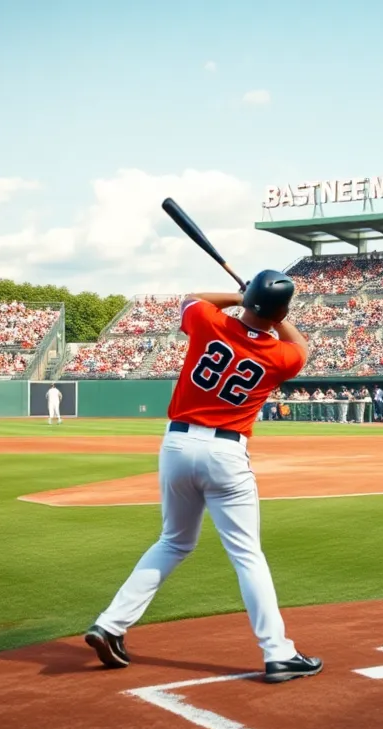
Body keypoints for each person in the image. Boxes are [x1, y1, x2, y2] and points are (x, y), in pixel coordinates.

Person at [85, 270, 323, 684]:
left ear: (249, 300)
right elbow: (300, 344)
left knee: (173, 541)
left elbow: (192, 296)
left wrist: (239, 295)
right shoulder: (281, 357)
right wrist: (273, 309)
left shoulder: (209, 321)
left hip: (177, 446)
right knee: (247, 555)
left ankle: (111, 624)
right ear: (280, 310)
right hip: (227, 454)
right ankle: (277, 652)